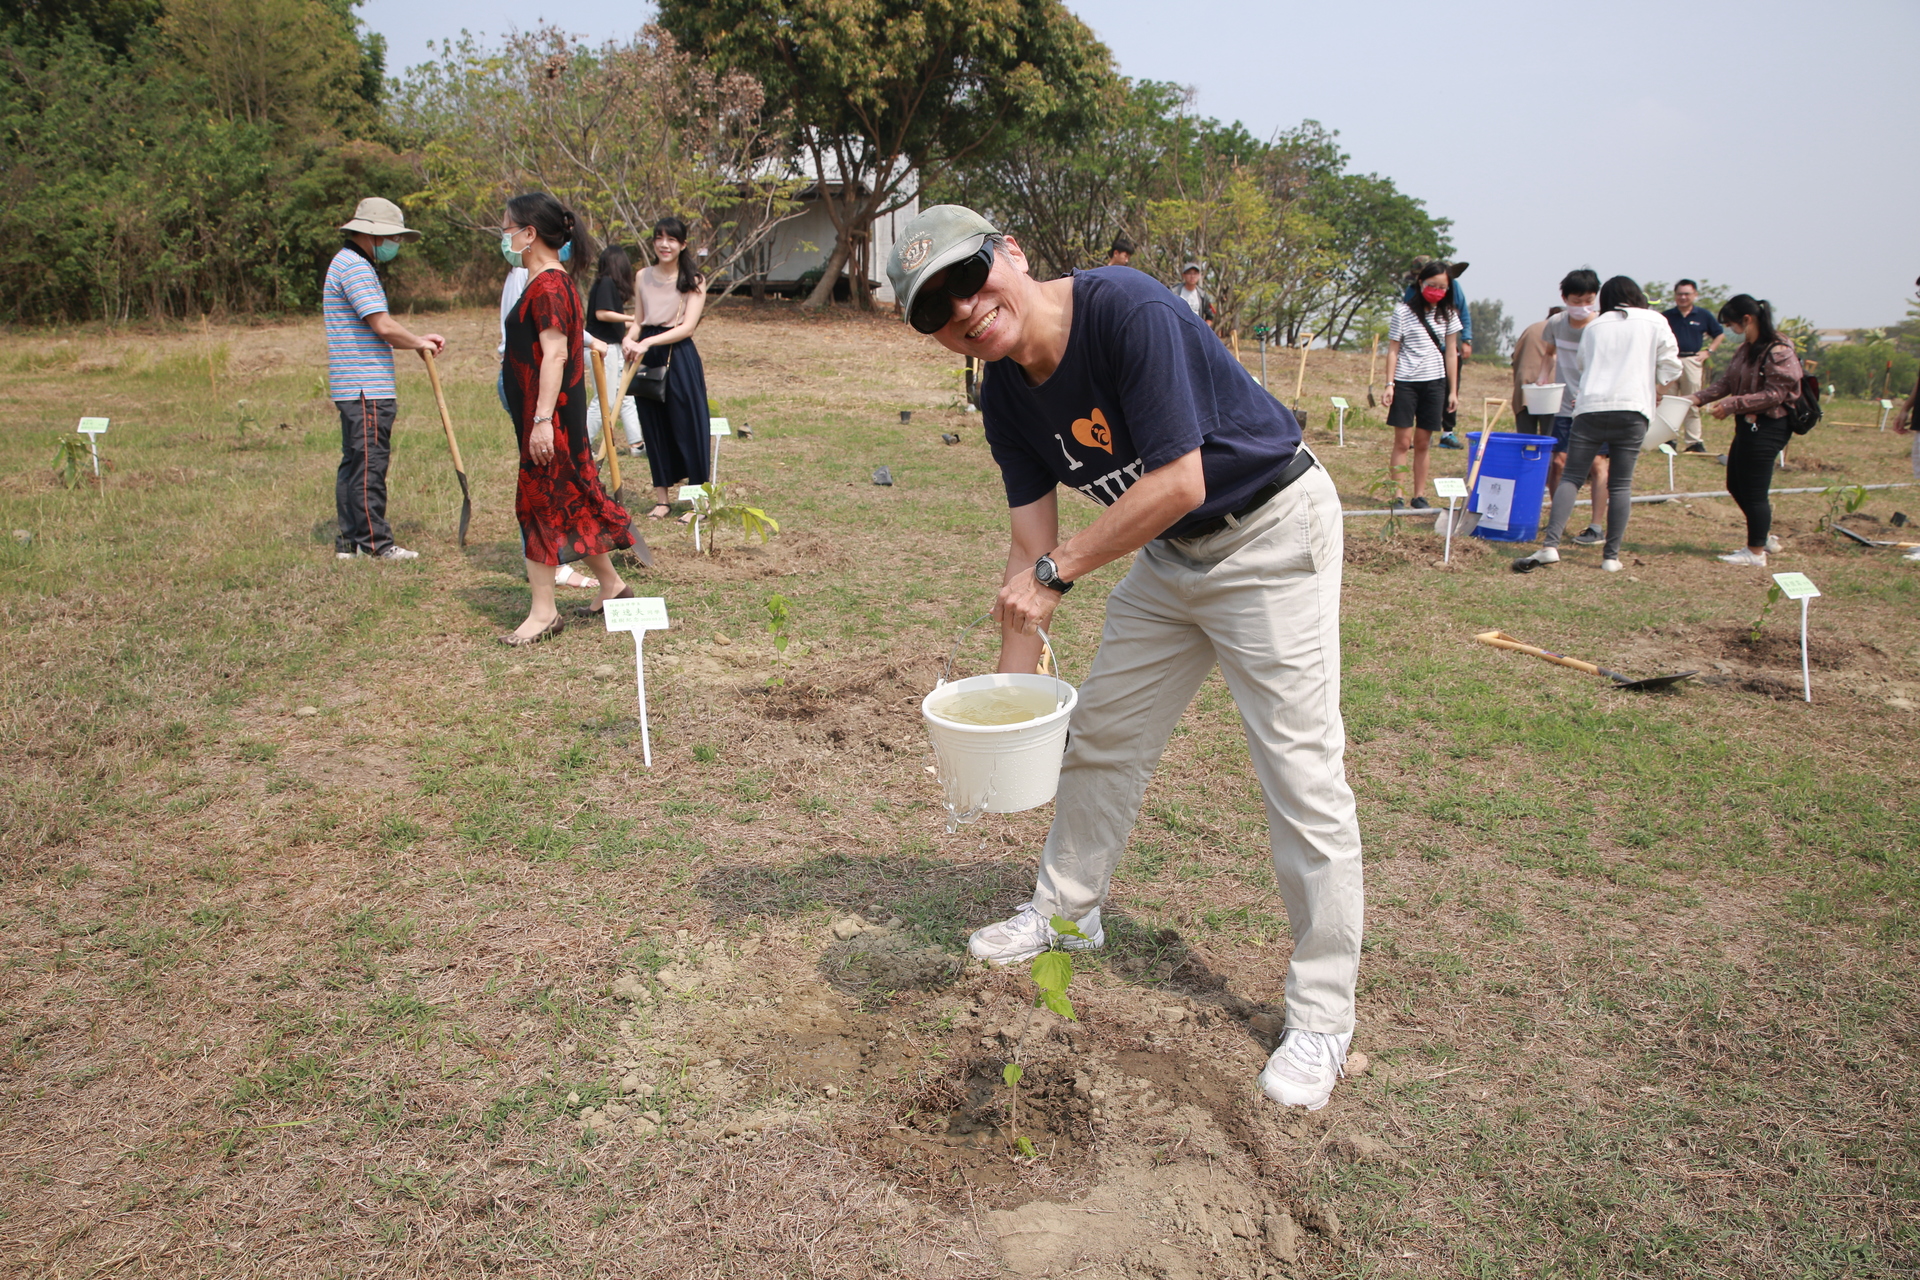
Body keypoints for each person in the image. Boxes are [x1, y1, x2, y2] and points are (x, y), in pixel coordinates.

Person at [887, 204, 1363, 1112]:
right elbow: (1029, 553)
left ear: (1013, 253)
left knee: (1302, 774)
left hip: (1270, 534)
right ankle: (1067, 911)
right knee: (1102, 736)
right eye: (935, 309)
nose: (964, 310)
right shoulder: (1002, 396)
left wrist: (1057, 575)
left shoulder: (1128, 309)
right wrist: (1004, 706)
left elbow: (1178, 479)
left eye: (969, 277)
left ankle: (1322, 1014)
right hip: (1173, 553)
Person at [498, 192, 637, 645]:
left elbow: (556, 354)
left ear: (529, 233)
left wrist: (540, 421)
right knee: (574, 501)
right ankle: (612, 587)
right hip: (553, 419)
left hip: (551, 421)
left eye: (507, 228)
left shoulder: (550, 287)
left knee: (537, 506)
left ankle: (544, 613)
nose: (504, 236)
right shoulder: (547, 283)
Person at [1512, 276, 1680, 574]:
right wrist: (1654, 384)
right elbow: (1671, 365)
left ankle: (1551, 545)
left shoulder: (1596, 325)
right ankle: (1610, 556)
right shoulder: (1655, 321)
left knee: (1571, 477)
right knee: (1621, 483)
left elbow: (1582, 365)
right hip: (1632, 410)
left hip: (1590, 408)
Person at [324, 197, 446, 561]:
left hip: (354, 383)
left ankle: (351, 542)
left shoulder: (346, 262)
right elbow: (383, 326)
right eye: (391, 237)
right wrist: (419, 342)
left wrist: (416, 339)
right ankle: (375, 544)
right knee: (369, 465)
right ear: (372, 234)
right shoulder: (356, 268)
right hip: (366, 386)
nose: (395, 245)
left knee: (355, 463)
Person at [1689, 295, 1804, 567]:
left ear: (1747, 319)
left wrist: (1732, 404)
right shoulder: (1746, 349)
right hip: (1747, 424)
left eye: (1731, 324)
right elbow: (1728, 381)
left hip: (1771, 425)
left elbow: (1776, 394)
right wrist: (1696, 398)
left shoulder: (1779, 350)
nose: (1730, 330)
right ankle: (1763, 536)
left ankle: (1755, 553)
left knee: (1754, 489)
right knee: (1736, 484)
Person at [622, 216, 713, 521]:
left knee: (690, 426)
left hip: (679, 355)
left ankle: (700, 503)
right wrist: (630, 339)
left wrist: (647, 342)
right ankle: (662, 500)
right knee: (654, 425)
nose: (664, 244)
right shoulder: (642, 276)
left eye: (672, 239)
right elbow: (638, 320)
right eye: (659, 238)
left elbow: (687, 328)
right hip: (646, 355)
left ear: (682, 245)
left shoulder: (694, 280)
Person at [1538, 270, 1611, 547]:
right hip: (1563, 404)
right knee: (1558, 462)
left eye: (1588, 300)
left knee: (1597, 464)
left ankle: (1596, 525)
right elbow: (1549, 355)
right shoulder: (1556, 323)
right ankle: (1559, 520)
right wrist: (1543, 379)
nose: (1582, 307)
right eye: (1576, 300)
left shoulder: (1602, 325)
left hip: (1594, 405)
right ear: (1564, 298)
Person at [1381, 260, 1461, 508]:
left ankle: (1419, 495)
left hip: (1435, 383)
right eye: (1431, 285)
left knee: (1425, 442)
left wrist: (1453, 391)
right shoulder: (1403, 312)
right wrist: (1389, 383)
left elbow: (1451, 353)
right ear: (1420, 283)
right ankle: (1398, 495)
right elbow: (1393, 349)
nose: (1436, 290)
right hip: (1405, 382)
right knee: (1403, 441)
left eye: (1442, 287)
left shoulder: (1449, 314)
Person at [1402, 258, 1472, 446]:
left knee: (1450, 390)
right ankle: (1421, 432)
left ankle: (1447, 432)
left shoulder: (1454, 289)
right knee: (1419, 392)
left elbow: (1463, 312)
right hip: (1420, 352)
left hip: (1446, 349)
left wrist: (1467, 339)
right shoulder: (1411, 292)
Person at [586, 243, 645, 458]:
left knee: (625, 396)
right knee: (605, 400)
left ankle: (637, 444)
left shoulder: (607, 285)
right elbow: (602, 314)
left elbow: (612, 321)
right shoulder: (606, 283)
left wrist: (637, 324)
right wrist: (632, 318)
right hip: (603, 349)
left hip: (613, 346)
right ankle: (582, 444)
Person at [1660, 279, 1725, 452]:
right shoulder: (1666, 316)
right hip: (1670, 362)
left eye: (1687, 294)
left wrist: (1708, 352)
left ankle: (1694, 442)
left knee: (1692, 401)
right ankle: (1667, 440)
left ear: (1695, 295)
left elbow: (1719, 334)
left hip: (1692, 361)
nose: (1683, 297)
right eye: (1679, 294)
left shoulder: (1703, 315)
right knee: (1668, 402)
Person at [1511, 305, 1564, 435]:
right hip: (1551, 391)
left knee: (1526, 439)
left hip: (1525, 388)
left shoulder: (1531, 328)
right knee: (1550, 438)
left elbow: (1515, 357)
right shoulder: (1562, 329)